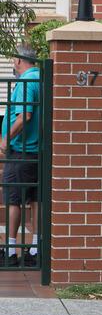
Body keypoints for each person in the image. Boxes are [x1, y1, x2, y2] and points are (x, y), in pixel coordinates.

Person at [0, 44, 41, 268]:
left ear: (18, 61)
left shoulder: (26, 82)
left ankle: (10, 251)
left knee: (13, 199)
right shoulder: (43, 79)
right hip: (38, 152)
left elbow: (24, 115)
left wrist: (6, 139)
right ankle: (36, 248)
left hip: (22, 150)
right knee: (36, 200)